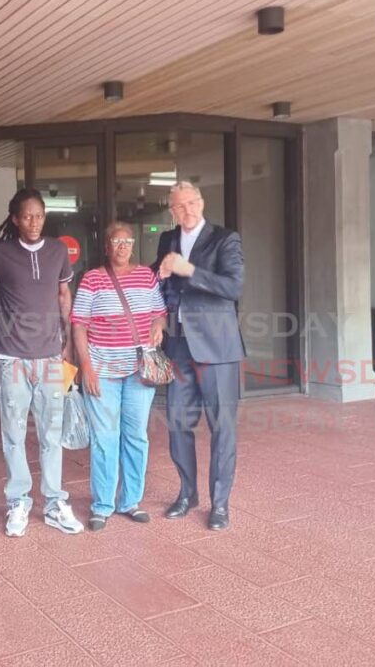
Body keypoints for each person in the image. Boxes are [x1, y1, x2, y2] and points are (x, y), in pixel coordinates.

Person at [0, 188, 84, 537]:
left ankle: (54, 503)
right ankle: (19, 502)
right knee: (13, 434)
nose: (34, 222)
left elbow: (63, 294)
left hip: (51, 355)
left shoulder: (57, 251)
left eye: (39, 215)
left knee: (51, 435)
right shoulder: (0, 253)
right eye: (26, 216)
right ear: (15, 219)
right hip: (12, 358)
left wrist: (67, 342)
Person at [154, 181, 245, 531]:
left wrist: (188, 269)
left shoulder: (225, 239)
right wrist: (160, 277)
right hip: (178, 346)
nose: (187, 211)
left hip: (217, 349)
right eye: (179, 206)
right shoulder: (167, 239)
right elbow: (159, 279)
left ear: (202, 202)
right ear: (172, 210)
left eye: (192, 203)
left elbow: (233, 286)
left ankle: (220, 503)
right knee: (178, 423)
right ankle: (187, 493)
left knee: (222, 427)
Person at [72, 222, 167, 531]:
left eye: (128, 240)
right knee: (104, 438)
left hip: (140, 371)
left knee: (136, 436)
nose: (123, 246)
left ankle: (130, 501)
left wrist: (158, 325)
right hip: (102, 370)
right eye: (117, 241)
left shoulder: (146, 276)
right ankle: (102, 505)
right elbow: (79, 325)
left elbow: (159, 312)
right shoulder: (92, 279)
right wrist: (86, 367)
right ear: (107, 246)